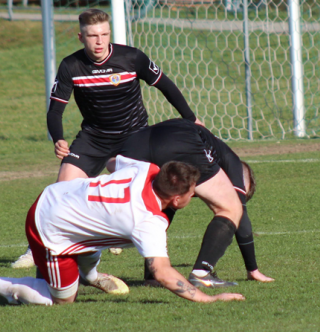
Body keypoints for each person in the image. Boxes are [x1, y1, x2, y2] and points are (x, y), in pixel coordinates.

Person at [12, 8, 200, 268]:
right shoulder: (71, 65)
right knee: (60, 191)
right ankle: (38, 249)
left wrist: (190, 118)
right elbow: (55, 110)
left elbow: (165, 85)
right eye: (92, 35)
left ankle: (130, 243)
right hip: (93, 137)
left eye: (104, 34)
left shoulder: (132, 58)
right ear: (81, 37)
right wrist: (58, 138)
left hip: (134, 137)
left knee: (142, 190)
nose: (99, 41)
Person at [0, 157, 245, 306]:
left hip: (62, 195)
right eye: (191, 192)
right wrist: (208, 299)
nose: (193, 195)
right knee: (61, 301)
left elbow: (113, 162)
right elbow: (161, 272)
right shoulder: (148, 221)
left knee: (96, 234)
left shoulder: (148, 169)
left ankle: (90, 275)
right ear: (175, 199)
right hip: (50, 225)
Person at [113, 119, 274, 287]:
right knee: (232, 208)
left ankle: (153, 275)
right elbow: (240, 214)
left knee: (164, 202)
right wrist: (252, 269)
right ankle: (202, 273)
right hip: (178, 140)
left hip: (131, 147)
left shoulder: (200, 159)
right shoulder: (232, 162)